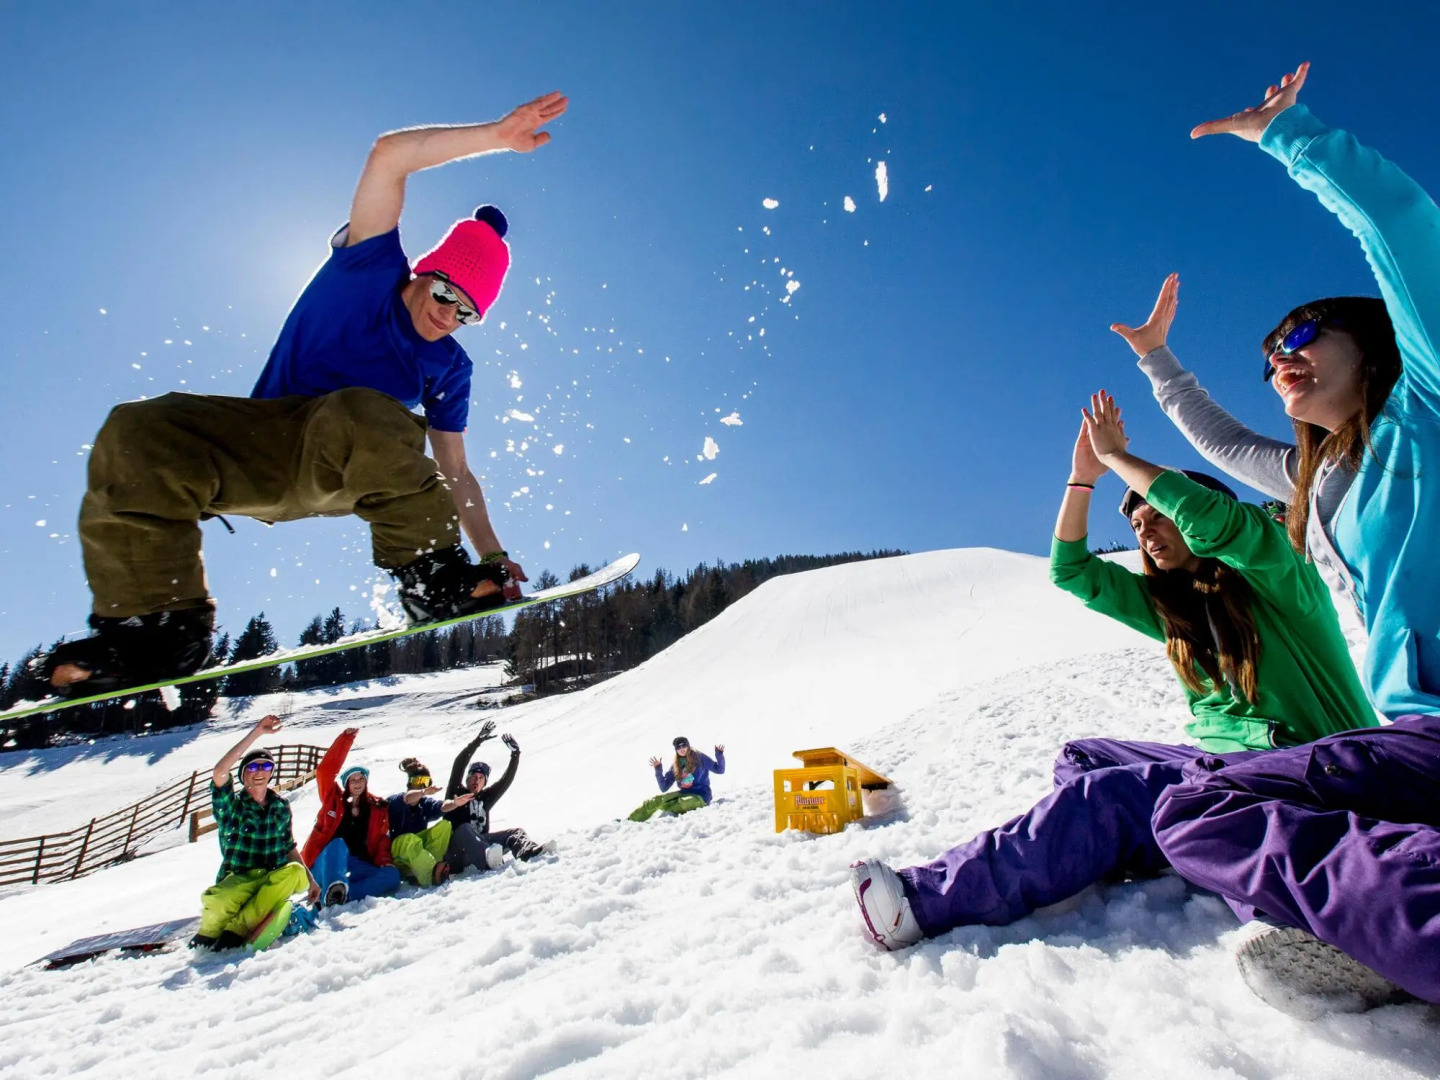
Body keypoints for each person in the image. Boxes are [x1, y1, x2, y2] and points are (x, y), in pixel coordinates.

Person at [37, 90, 569, 699]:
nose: (450, 316)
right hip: (260, 447)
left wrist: (493, 555)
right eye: (447, 294)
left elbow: (456, 473)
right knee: (137, 429)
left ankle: (431, 577)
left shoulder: (450, 367)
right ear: (425, 270)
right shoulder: (366, 268)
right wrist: (496, 137)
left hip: (350, 468)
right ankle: (152, 625)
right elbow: (389, 156)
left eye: (469, 314)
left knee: (365, 410)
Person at [1115, 63, 1440, 1012]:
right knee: (1197, 809)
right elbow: (1214, 440)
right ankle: (1391, 927)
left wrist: (1292, 139)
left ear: (1371, 345)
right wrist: (1160, 361)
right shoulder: (1314, 482)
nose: (1280, 358)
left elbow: (1408, 233)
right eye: (1267, 359)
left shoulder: (1423, 411)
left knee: (1206, 803)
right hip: (1412, 737)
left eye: (1300, 333)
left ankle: (1388, 923)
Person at [850, 390, 1376, 953]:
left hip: (1308, 767)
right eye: (1137, 525)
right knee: (1083, 758)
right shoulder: (1174, 610)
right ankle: (1181, 846)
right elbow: (1072, 571)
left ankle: (922, 904)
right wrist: (1082, 481)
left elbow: (1218, 522)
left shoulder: (1282, 580)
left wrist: (1120, 458)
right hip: (1223, 767)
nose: (1145, 532)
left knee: (1108, 795)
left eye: (1159, 516)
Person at [193, 714, 320, 951]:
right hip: (239, 880)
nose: (259, 770)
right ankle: (209, 933)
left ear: (272, 772)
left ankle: (236, 930)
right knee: (218, 900)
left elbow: (288, 846)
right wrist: (257, 733)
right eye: (252, 766)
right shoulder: (233, 807)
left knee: (295, 873)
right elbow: (220, 772)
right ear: (243, 774)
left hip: (270, 880)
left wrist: (311, 880)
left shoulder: (280, 807)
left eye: (266, 766)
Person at [301, 727, 401, 906]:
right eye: (352, 780)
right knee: (338, 844)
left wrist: (384, 861)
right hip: (326, 862)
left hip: (355, 864)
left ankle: (341, 894)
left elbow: (381, 840)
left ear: (366, 782)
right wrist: (345, 740)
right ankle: (331, 886)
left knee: (392, 876)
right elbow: (324, 771)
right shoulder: (333, 800)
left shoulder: (376, 808)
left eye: (361, 779)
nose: (357, 783)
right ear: (346, 783)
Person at [443, 720, 551, 871]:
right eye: (473, 777)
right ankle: (487, 860)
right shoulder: (456, 793)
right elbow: (459, 764)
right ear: (467, 779)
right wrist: (478, 740)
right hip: (457, 852)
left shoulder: (486, 798)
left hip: (484, 846)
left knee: (515, 833)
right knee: (464, 829)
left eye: (481, 778)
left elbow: (506, 781)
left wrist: (515, 754)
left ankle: (528, 853)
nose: (477, 781)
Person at [387, 757, 464, 887]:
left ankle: (434, 866)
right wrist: (422, 792)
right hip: (399, 853)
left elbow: (442, 806)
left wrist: (455, 803)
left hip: (418, 851)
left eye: (425, 781)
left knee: (445, 826)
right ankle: (430, 876)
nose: (422, 784)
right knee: (409, 839)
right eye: (418, 780)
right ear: (410, 782)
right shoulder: (397, 800)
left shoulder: (424, 804)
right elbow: (408, 798)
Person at [628, 737, 727, 821]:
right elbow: (664, 787)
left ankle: (668, 809)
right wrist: (658, 770)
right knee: (655, 801)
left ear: (688, 746)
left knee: (685, 803)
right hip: (684, 793)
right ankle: (630, 821)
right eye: (678, 747)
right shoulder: (676, 765)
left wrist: (719, 755)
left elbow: (720, 770)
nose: (682, 748)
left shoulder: (699, 757)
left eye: (684, 745)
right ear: (676, 749)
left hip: (701, 795)